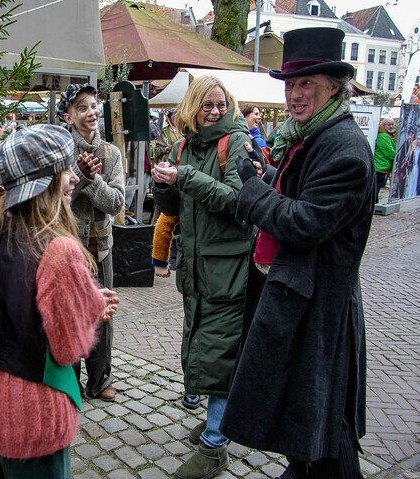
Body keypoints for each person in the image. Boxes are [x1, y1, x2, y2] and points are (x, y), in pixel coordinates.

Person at [221, 27, 374, 479]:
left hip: (319, 303)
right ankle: (304, 465)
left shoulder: (344, 148)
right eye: (289, 84)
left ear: (334, 86)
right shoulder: (312, 136)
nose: (294, 94)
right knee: (314, 410)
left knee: (322, 412)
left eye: (306, 83)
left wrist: (251, 189)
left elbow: (304, 222)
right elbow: (297, 193)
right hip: (300, 295)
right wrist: (267, 173)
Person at [0, 124, 119, 478]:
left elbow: (16, 308)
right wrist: (92, 311)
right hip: (32, 418)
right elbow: (68, 348)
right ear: (47, 182)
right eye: (65, 171)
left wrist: (86, 298)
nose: (73, 180)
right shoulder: (59, 249)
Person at [152, 75, 251, 479]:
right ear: (192, 107)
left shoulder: (238, 144)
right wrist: (162, 185)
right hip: (195, 270)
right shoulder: (182, 147)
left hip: (229, 269)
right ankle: (216, 423)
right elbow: (173, 206)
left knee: (218, 351)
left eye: (220, 104)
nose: (214, 111)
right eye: (207, 105)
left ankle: (214, 444)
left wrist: (185, 177)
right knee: (200, 345)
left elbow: (236, 200)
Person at [57, 83, 125, 402]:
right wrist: (78, 176)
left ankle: (99, 380)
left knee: (103, 313)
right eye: (81, 107)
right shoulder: (61, 153)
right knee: (71, 312)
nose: (90, 112)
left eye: (93, 105)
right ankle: (70, 381)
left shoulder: (111, 153)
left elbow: (116, 203)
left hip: (102, 247)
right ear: (69, 116)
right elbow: (56, 205)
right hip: (70, 248)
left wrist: (90, 179)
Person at [373, 117, 396, 205]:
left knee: (379, 186)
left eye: (392, 124)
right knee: (377, 186)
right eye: (388, 124)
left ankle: (375, 203)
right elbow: (390, 153)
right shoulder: (383, 136)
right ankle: (374, 204)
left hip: (383, 166)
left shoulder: (387, 135)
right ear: (383, 125)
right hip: (380, 167)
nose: (391, 126)